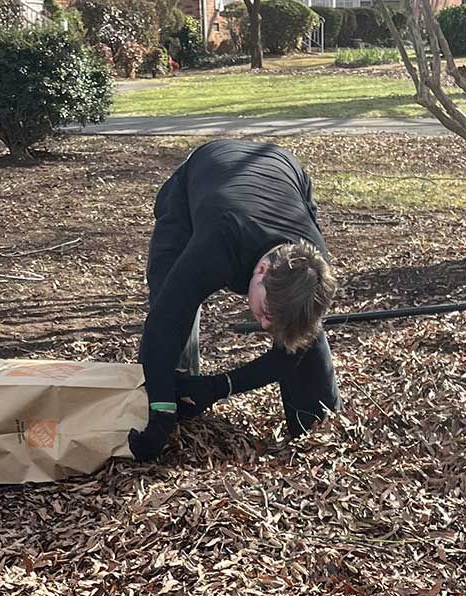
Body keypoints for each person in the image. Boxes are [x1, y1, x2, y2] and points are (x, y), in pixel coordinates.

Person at [130, 139, 339, 463]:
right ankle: (174, 395)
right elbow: (163, 325)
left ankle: (314, 419)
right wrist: (160, 415)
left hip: (284, 170)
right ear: (261, 269)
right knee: (170, 293)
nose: (264, 325)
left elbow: (291, 351)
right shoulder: (216, 246)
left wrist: (218, 386)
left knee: (300, 328)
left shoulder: (314, 267)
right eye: (267, 312)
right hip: (198, 181)